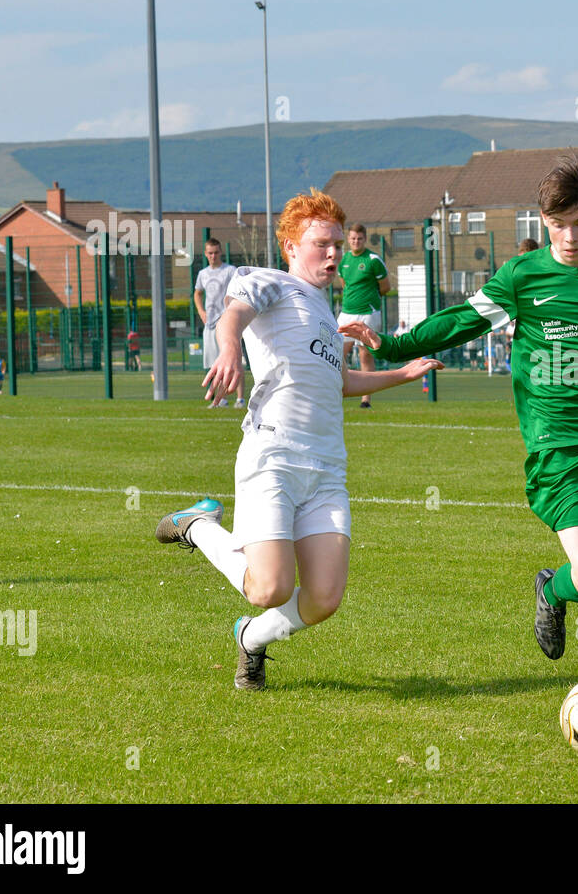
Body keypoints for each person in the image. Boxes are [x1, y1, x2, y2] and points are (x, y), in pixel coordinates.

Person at [344, 148, 578, 705]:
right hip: (558, 449)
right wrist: (394, 344)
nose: (570, 237)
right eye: (557, 225)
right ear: (542, 221)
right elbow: (460, 320)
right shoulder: (522, 275)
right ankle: (551, 592)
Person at [154, 190, 441, 691]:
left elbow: (342, 384)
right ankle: (198, 526)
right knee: (270, 586)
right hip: (274, 456)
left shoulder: (328, 318)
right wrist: (230, 354)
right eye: (321, 243)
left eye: (336, 243)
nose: (333, 254)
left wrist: (402, 373)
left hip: (327, 468)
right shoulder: (272, 283)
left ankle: (251, 639)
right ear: (290, 245)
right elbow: (233, 315)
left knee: (324, 598)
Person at [336, 224, 390, 409]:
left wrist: (369, 299)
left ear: (364, 239)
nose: (355, 241)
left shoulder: (373, 260)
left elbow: (385, 287)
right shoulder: (343, 260)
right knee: (336, 352)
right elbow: (344, 284)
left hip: (368, 313)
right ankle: (335, 391)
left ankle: (366, 398)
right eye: (352, 238)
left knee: (365, 354)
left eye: (359, 238)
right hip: (346, 312)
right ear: (348, 239)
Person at [195, 238, 245, 409]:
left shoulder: (230, 271)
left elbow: (239, 292)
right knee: (214, 364)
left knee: (235, 359)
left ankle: (240, 399)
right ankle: (220, 400)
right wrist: (201, 312)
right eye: (210, 253)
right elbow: (197, 294)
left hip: (227, 324)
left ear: (221, 252)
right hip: (210, 325)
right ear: (205, 254)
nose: (213, 256)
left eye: (216, 252)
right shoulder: (203, 273)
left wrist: (232, 313)